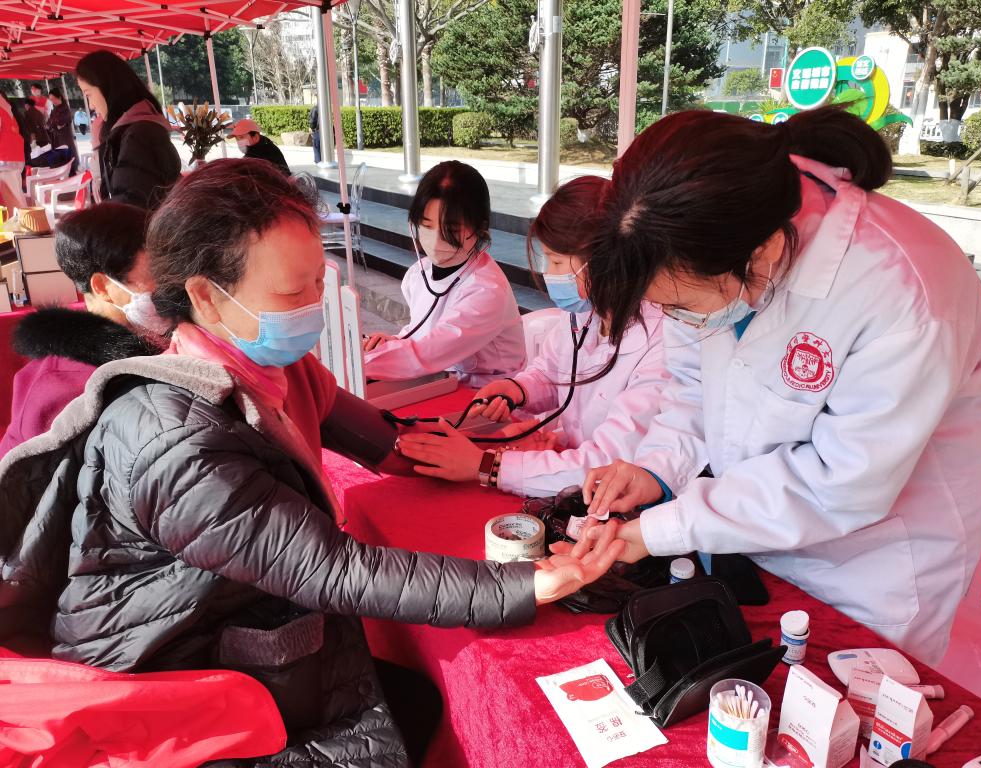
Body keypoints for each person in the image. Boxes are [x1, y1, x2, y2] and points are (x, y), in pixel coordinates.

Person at [0, 159, 623, 766]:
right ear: (206, 297)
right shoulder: (175, 437)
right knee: (409, 713)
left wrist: (473, 457)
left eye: (318, 283)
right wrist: (525, 583)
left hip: (230, 629)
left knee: (412, 702)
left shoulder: (268, 364)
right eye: (291, 291)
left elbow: (381, 439)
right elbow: (332, 568)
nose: (313, 306)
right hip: (167, 684)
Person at [570, 107, 981, 665]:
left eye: (682, 306)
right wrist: (656, 470)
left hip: (870, 568)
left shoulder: (903, 293)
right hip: (754, 532)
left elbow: (839, 483)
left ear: (766, 250)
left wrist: (660, 530)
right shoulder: (708, 242)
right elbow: (693, 386)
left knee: (847, 706)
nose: (678, 318)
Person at [397, 176, 672, 498]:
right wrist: (518, 390)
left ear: (605, 260)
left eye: (556, 261)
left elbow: (606, 463)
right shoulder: (585, 312)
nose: (549, 273)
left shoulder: (661, 343)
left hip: (613, 496)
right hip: (566, 469)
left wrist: (487, 466)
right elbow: (550, 372)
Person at [0, 203, 165, 459]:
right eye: (157, 274)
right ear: (102, 287)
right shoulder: (65, 386)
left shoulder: (157, 340)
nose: (170, 286)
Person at [363, 160, 527, 386]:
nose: (436, 239)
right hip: (441, 381)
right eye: (426, 225)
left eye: (451, 229)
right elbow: (422, 332)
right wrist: (393, 342)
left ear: (479, 228)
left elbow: (428, 353)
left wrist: (360, 362)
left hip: (486, 392)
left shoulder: (486, 291)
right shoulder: (418, 274)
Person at [75, 50, 180, 208]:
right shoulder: (131, 130)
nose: (91, 106)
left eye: (88, 94)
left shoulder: (139, 136)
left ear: (107, 88)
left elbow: (131, 207)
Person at [0, 89, 26, 207]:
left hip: (4, 159)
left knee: (11, 199)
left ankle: (23, 217)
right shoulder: (7, 109)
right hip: (15, 158)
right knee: (15, 194)